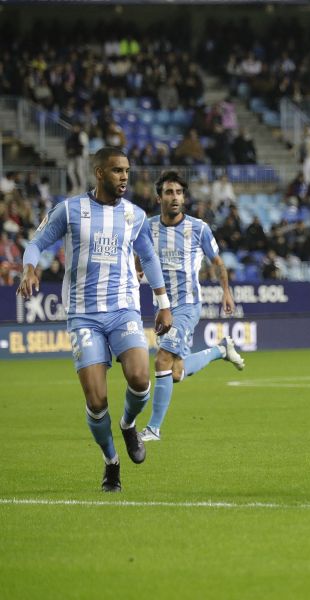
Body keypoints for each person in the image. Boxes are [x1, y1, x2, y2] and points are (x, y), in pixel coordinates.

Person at [16, 147, 174, 492]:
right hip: (84, 316)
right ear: (99, 173)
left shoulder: (134, 215)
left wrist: (163, 303)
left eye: (128, 172)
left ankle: (128, 424)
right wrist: (29, 268)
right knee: (96, 400)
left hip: (124, 309)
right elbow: (36, 243)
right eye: (117, 171)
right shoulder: (70, 210)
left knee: (139, 377)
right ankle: (111, 462)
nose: (125, 178)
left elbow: (148, 258)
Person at [137, 171, 246, 443]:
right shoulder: (147, 228)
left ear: (184, 197)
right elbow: (139, 260)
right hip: (161, 307)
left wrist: (226, 293)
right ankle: (221, 350)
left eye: (178, 193)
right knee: (174, 372)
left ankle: (153, 429)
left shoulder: (199, 228)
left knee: (162, 358)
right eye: (169, 192)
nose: (174, 198)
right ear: (159, 197)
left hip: (187, 306)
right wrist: (136, 275)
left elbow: (217, 262)